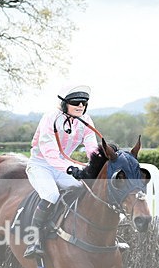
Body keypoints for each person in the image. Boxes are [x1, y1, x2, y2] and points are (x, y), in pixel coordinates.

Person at [22, 85, 101, 257]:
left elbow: (91, 146)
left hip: (63, 165)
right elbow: (49, 153)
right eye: (76, 102)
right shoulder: (50, 118)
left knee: (86, 189)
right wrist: (71, 168)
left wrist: (96, 164)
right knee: (51, 195)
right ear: (65, 104)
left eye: (84, 103)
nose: (81, 106)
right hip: (41, 165)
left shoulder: (85, 119)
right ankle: (33, 241)